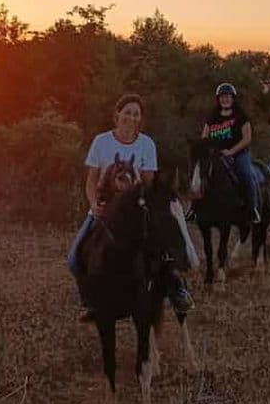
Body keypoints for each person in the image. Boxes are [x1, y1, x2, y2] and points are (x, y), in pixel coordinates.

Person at [67, 93, 193, 322]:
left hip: (136, 211)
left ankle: (178, 290)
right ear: (117, 115)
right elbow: (91, 180)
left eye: (136, 114)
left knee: (163, 252)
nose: (131, 117)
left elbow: (148, 183)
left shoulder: (146, 144)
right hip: (104, 210)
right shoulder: (101, 142)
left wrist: (133, 188)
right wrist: (94, 204)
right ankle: (91, 301)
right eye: (127, 112)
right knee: (74, 258)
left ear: (140, 119)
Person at [201, 82, 262, 223]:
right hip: (217, 154)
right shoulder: (212, 117)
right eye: (222, 97)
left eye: (228, 96)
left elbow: (247, 138)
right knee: (201, 174)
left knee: (246, 174)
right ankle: (195, 209)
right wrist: (209, 150)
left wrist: (231, 151)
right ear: (218, 99)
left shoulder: (241, 116)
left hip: (239, 153)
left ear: (233, 98)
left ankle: (253, 209)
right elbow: (204, 137)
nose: (225, 99)